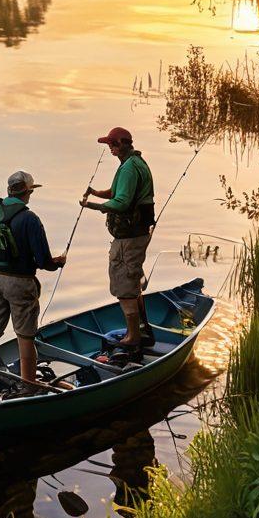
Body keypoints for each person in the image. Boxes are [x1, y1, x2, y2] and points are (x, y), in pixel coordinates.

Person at [0, 170, 65, 392]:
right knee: (25, 334)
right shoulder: (30, 219)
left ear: (9, 190)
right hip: (20, 283)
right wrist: (58, 262)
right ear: (28, 192)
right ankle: (29, 384)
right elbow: (43, 261)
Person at [80, 128, 155, 358]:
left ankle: (133, 336)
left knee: (124, 285)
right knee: (131, 283)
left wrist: (92, 206)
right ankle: (141, 329)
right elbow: (115, 192)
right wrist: (94, 193)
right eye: (108, 144)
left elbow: (121, 203)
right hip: (135, 235)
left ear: (124, 143)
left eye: (113, 143)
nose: (110, 147)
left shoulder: (130, 168)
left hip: (129, 239)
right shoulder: (131, 163)